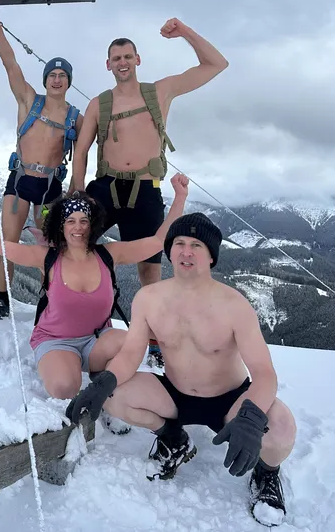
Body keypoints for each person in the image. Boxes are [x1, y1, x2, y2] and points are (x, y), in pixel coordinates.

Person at [65, 213, 296, 527]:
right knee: (115, 395)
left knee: (281, 429)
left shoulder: (234, 305)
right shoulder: (149, 298)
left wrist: (253, 415)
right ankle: (172, 438)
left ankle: (266, 474)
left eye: (197, 245)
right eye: (180, 244)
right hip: (175, 394)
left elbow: (264, 372)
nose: (187, 251)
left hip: (230, 400)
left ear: (211, 255)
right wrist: (106, 380)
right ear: (169, 251)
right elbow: (132, 352)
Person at [70, 20, 228, 365]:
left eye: (127, 56)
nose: (122, 62)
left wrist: (185, 31)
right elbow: (80, 151)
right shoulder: (100, 104)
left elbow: (216, 64)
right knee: (76, 247)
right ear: (107, 64)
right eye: (116, 58)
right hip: (106, 186)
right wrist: (75, 194)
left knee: (149, 270)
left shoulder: (159, 92)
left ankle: (154, 338)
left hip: (145, 188)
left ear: (138, 60)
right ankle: (79, 322)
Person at [0, 174, 189, 400]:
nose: (78, 227)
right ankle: (78, 370)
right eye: (70, 221)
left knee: (131, 345)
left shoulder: (109, 254)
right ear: (60, 226)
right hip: (56, 340)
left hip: (98, 338)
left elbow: (158, 241)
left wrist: (180, 197)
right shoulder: (47, 257)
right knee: (65, 388)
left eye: (84, 221)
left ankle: (104, 384)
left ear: (93, 224)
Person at [0, 0, 82, 322]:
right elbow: (9, 62)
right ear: (45, 79)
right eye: (52, 75)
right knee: (8, 243)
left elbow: (96, 141)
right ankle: (2, 301)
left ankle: (48, 301)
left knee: (49, 249)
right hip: (22, 178)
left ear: (69, 81)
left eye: (62, 75)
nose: (56, 79)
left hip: (52, 186)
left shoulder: (75, 117)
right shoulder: (29, 100)